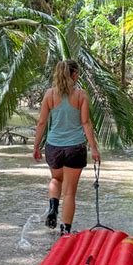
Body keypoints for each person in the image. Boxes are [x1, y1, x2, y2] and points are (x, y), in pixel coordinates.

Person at [33, 59, 100, 235]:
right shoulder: (81, 95)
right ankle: (65, 231)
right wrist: (93, 148)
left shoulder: (49, 94)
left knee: (56, 180)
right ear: (74, 74)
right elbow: (86, 123)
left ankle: (53, 207)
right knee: (69, 192)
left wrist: (36, 147)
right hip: (75, 148)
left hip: (53, 146)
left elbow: (41, 123)